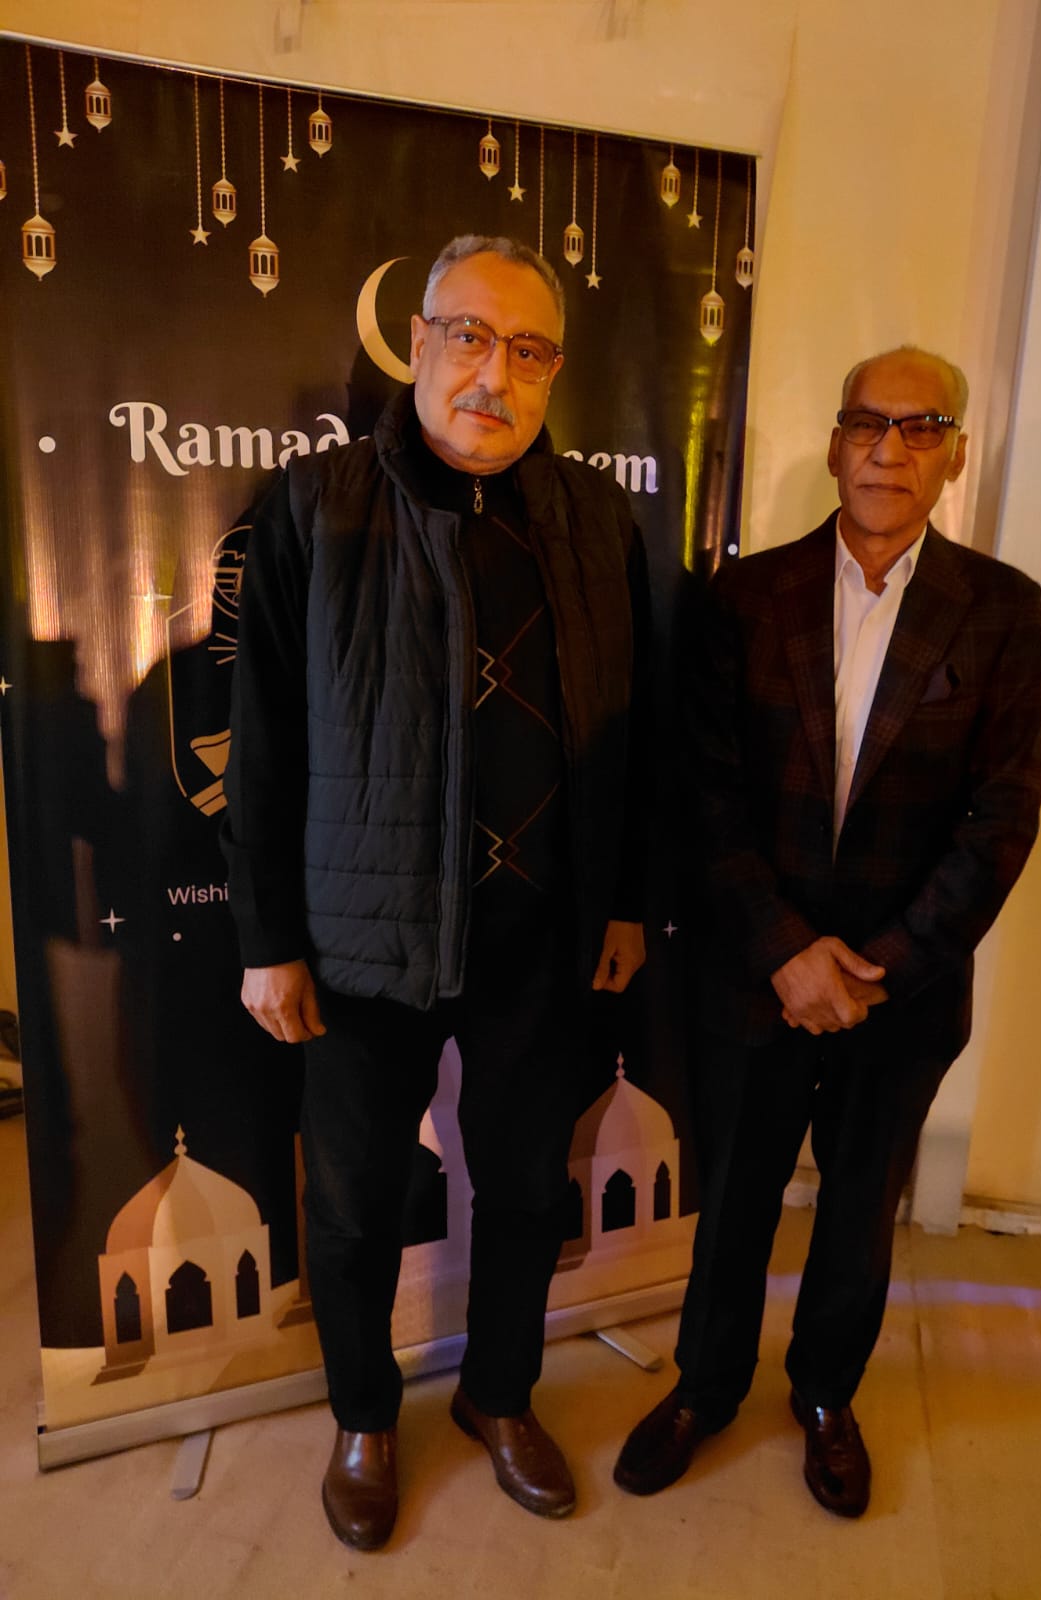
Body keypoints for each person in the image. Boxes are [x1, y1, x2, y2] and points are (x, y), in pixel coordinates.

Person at [223, 235, 650, 1549]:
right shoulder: (317, 504)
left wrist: (622, 900)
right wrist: (268, 938)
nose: (493, 375)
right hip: (364, 940)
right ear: (418, 343)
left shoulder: (595, 519)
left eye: (527, 350)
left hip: (541, 938)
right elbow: (264, 740)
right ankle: (364, 1417)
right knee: (355, 1204)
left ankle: (499, 1395)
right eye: (469, 337)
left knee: (524, 1189)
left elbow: (629, 732)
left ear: (553, 370)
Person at [614, 347, 1041, 1518]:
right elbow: (702, 795)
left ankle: (824, 1397)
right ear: (833, 443)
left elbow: (1002, 819)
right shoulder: (744, 596)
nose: (889, 449)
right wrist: (784, 951)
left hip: (901, 994)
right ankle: (706, 1386)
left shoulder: (1003, 610)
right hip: (753, 974)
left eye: (921, 427)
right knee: (734, 1201)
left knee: (859, 1211)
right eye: (867, 422)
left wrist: (880, 967)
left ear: (955, 455)